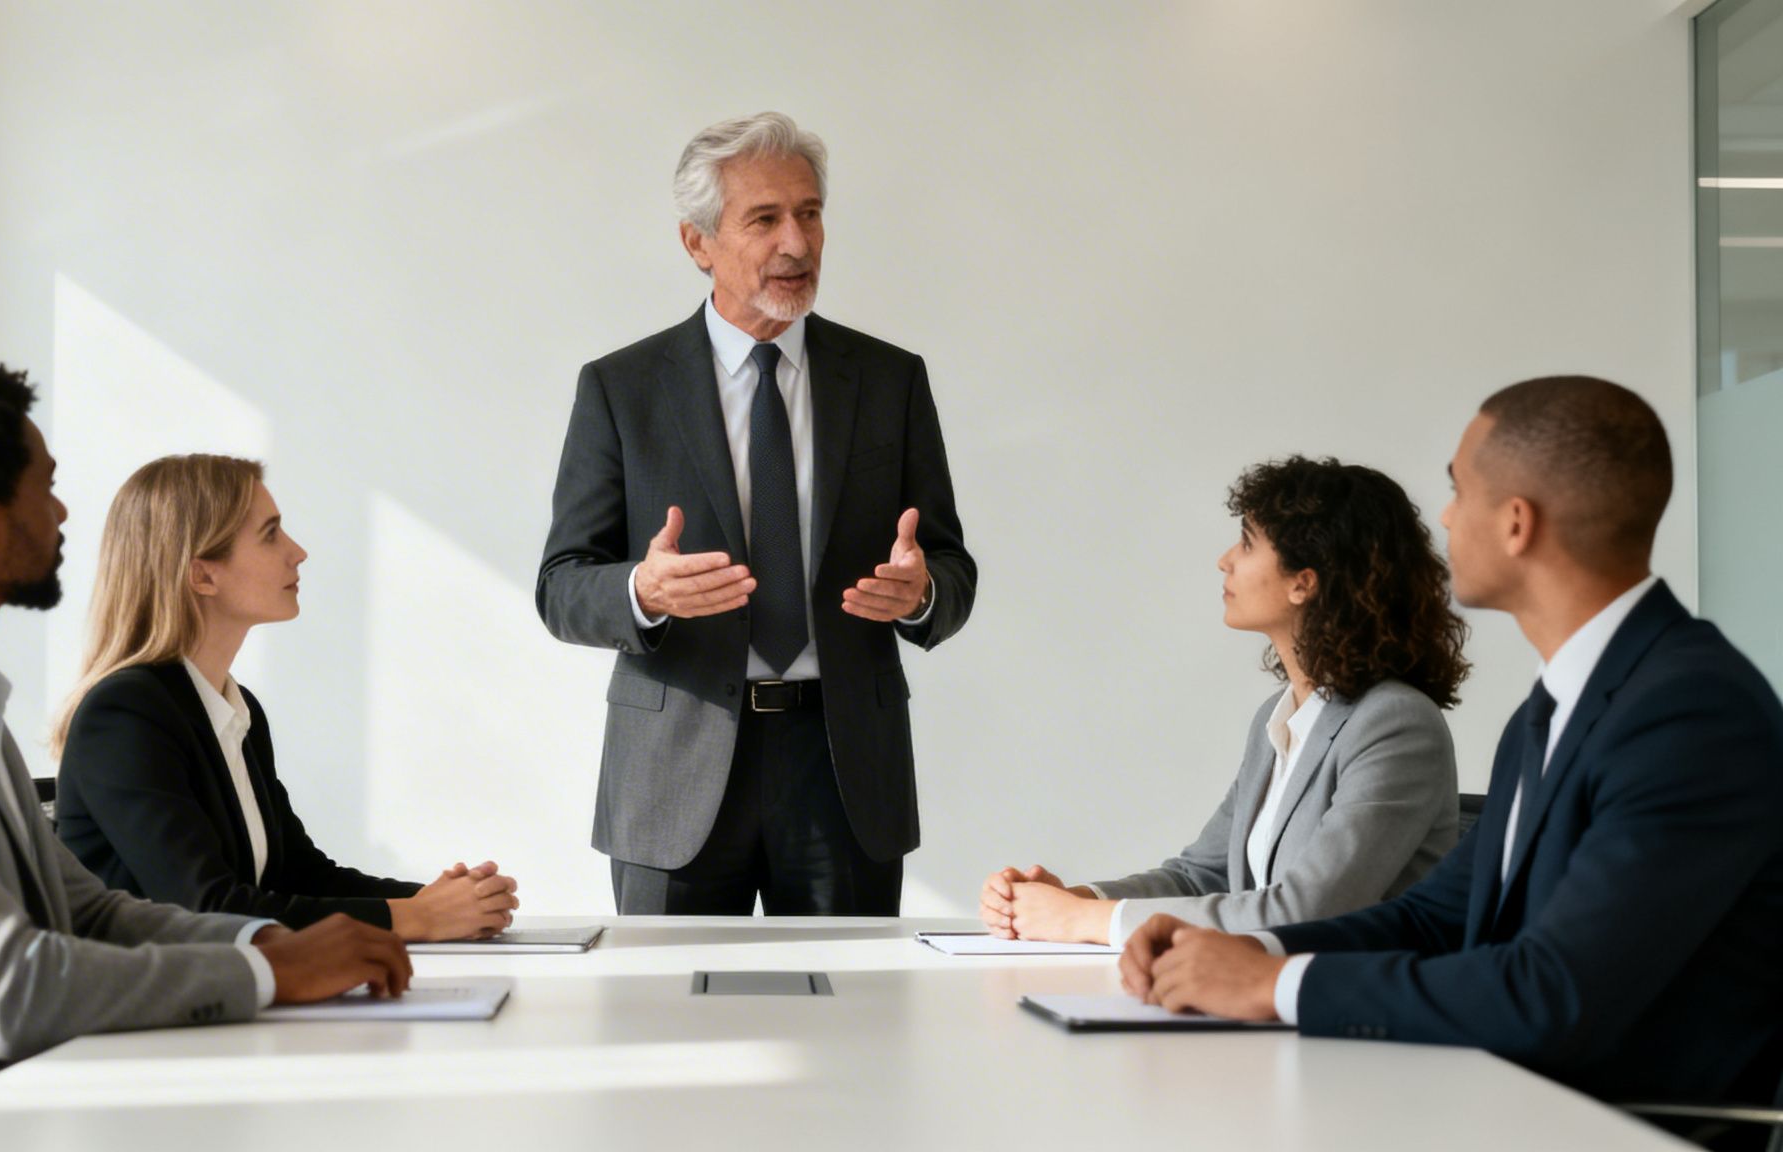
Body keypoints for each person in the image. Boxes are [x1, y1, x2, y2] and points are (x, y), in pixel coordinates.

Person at [0, 355, 412, 1089]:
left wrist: (275, 941)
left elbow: (88, 913)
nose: (61, 513)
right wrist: (266, 970)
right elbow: (3, 989)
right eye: (47, 487)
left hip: (22, 1098)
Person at [1121, 376, 1783, 1108]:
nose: (1443, 515)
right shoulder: (1556, 707)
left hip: (1620, 1125)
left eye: (1458, 490)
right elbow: (1434, 917)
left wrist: (1275, 985)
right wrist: (1251, 952)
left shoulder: (1688, 713)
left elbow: (1553, 992)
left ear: (1516, 524)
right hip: (1512, 1098)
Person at [537, 111, 977, 916]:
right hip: (676, 771)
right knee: (669, 1032)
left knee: (851, 1032)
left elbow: (949, 567)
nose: (798, 244)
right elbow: (561, 586)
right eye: (765, 220)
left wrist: (922, 596)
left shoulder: (888, 381)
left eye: (809, 214)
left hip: (844, 770)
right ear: (697, 242)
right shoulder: (622, 388)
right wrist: (644, 592)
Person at [980, 457, 1467, 945]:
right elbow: (1199, 876)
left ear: (1304, 581)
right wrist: (1075, 899)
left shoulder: (1396, 723)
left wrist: (1083, 922)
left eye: (1249, 541)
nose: (1225, 559)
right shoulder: (1278, 721)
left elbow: (1306, 911)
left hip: (1353, 1011)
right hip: (1258, 1002)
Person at [52, 454, 518, 940]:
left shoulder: (233, 708)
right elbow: (207, 907)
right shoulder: (126, 714)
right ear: (203, 576)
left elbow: (298, 875)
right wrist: (417, 918)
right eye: (270, 534)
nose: (297, 552)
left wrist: (440, 901)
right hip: (149, 1007)